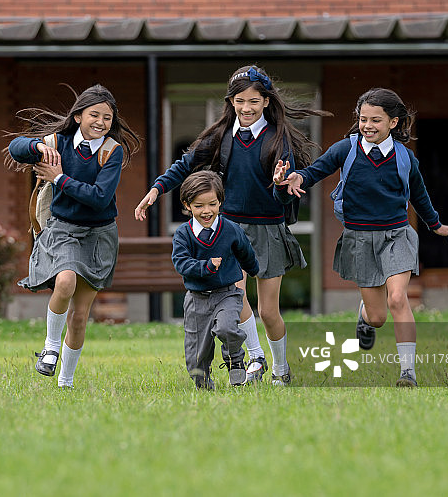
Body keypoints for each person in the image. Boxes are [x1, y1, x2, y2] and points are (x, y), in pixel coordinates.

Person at [135, 65, 330, 385]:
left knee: (268, 312)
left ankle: (282, 370)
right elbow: (185, 164)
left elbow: (285, 201)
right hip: (231, 229)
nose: (246, 107)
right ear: (231, 102)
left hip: (269, 230)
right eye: (239, 100)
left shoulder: (278, 139)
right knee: (235, 299)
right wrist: (156, 190)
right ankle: (256, 357)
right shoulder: (222, 136)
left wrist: (281, 185)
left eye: (253, 101)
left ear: (266, 101)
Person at [274, 87, 448, 387]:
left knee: (398, 298)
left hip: (397, 235)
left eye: (376, 119)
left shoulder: (405, 158)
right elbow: (315, 171)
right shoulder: (345, 150)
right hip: (360, 239)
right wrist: (297, 177)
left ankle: (407, 373)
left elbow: (420, 197)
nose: (368, 125)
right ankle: (365, 315)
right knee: (378, 317)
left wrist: (437, 226)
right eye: (363, 119)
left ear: (393, 123)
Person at [5, 84, 141, 388]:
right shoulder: (57, 142)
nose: (101, 122)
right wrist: (38, 148)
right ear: (78, 115)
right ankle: (50, 348)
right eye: (94, 115)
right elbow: (16, 147)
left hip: (99, 235)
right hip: (64, 229)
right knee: (64, 281)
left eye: (107, 118)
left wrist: (59, 178)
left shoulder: (111, 151)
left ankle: (65, 382)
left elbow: (100, 197)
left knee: (80, 317)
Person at [172, 171, 259, 389]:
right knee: (196, 359)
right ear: (187, 205)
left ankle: (235, 361)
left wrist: (254, 269)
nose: (206, 211)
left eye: (212, 204)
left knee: (227, 328)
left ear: (220, 201)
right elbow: (181, 263)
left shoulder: (230, 229)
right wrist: (206, 267)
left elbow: (245, 252)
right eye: (199, 205)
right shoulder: (183, 234)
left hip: (227, 293)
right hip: (196, 299)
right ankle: (203, 383)